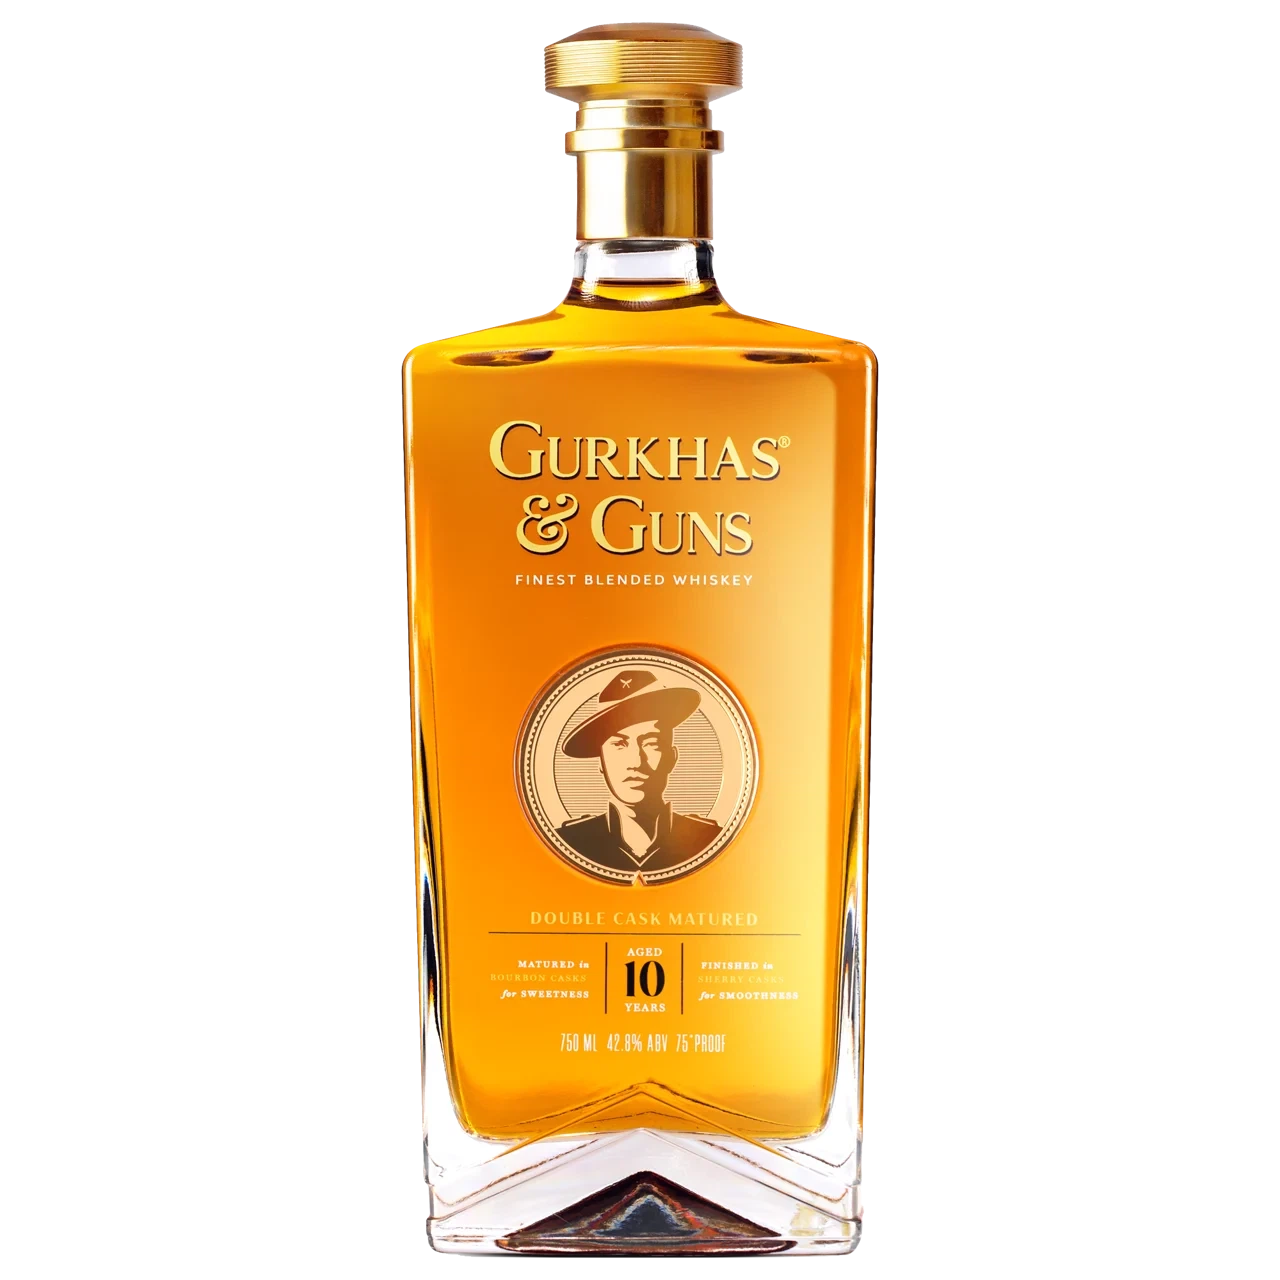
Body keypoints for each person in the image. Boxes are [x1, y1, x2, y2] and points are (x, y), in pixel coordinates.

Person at [557, 669, 720, 874]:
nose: (636, 762)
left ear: (672, 758)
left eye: (651, 743)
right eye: (619, 744)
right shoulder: (572, 841)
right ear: (601, 761)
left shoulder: (709, 838)